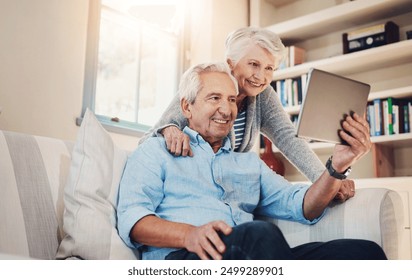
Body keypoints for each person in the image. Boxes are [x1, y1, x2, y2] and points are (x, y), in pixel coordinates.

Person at [117, 62, 386, 260]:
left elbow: (303, 206)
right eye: (214, 98)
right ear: (187, 107)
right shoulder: (156, 150)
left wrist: (336, 167)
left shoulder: (248, 163)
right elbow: (132, 218)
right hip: (184, 257)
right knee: (259, 234)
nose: (226, 109)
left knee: (363, 252)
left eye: (232, 100)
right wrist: (190, 234)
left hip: (251, 256)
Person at [139, 26, 354, 202]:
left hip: (230, 193)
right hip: (194, 188)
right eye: (254, 64)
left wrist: (327, 180)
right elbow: (150, 138)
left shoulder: (263, 96)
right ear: (231, 64)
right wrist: (169, 129)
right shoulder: (205, 82)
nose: (261, 76)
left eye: (269, 68)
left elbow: (289, 139)